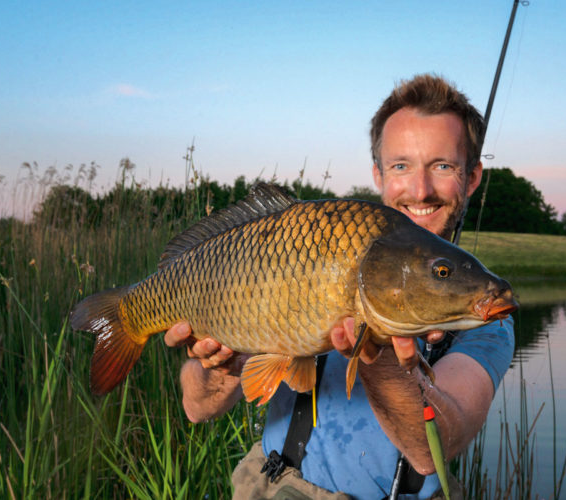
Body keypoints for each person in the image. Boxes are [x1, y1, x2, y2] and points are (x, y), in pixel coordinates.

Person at [165, 74, 515, 499]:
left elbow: (432, 451)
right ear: (379, 174)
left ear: (472, 177)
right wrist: (220, 366)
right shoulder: (308, 252)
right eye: (401, 165)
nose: (420, 189)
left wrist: (378, 353)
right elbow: (196, 408)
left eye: (442, 166)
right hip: (279, 486)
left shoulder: (485, 318)